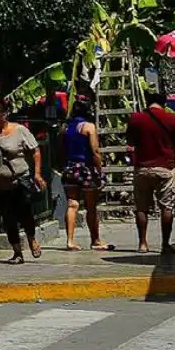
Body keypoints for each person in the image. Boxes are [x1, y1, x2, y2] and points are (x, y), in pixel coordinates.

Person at [0, 99, 43, 263]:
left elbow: (35, 151)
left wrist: (37, 174)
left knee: (25, 214)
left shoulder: (19, 130)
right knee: (8, 218)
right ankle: (17, 252)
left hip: (19, 181)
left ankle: (31, 238)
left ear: (4, 115)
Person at [126, 91, 175, 256]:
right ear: (164, 104)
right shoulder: (171, 119)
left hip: (142, 169)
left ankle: (142, 243)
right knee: (167, 208)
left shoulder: (136, 119)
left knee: (141, 208)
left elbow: (130, 143)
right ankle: (165, 245)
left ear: (147, 102)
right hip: (165, 168)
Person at [59, 99, 107, 251]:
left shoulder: (64, 128)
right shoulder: (89, 127)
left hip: (69, 168)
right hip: (86, 169)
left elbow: (59, 149)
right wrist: (100, 171)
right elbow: (95, 151)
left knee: (72, 204)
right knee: (91, 206)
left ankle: (70, 241)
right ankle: (95, 240)